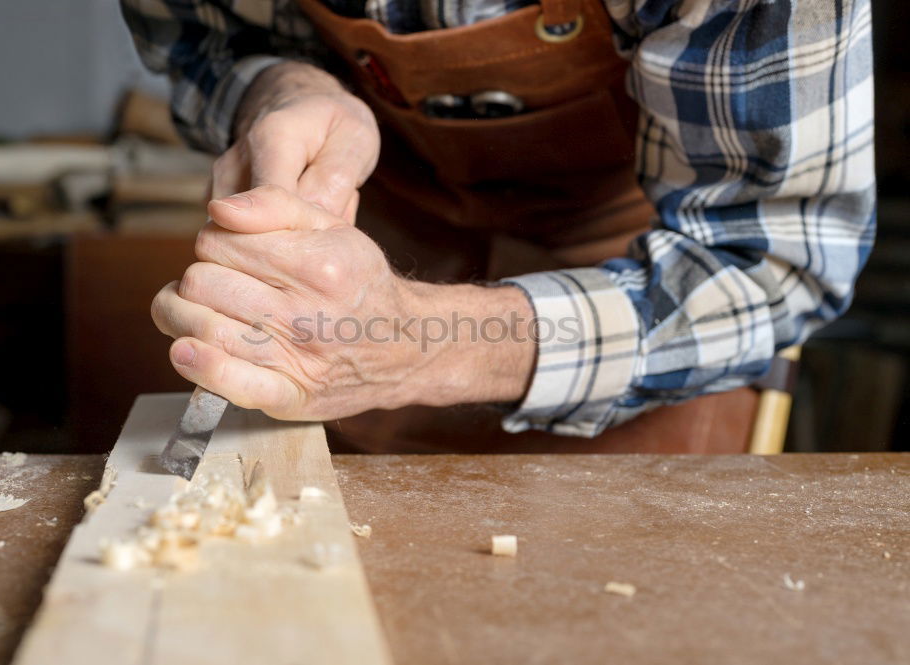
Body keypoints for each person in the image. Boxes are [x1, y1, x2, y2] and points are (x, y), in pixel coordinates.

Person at [122, 0, 875, 453]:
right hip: (352, 277)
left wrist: (416, 343)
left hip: (649, 312)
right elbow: (204, 42)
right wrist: (281, 90)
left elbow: (772, 262)